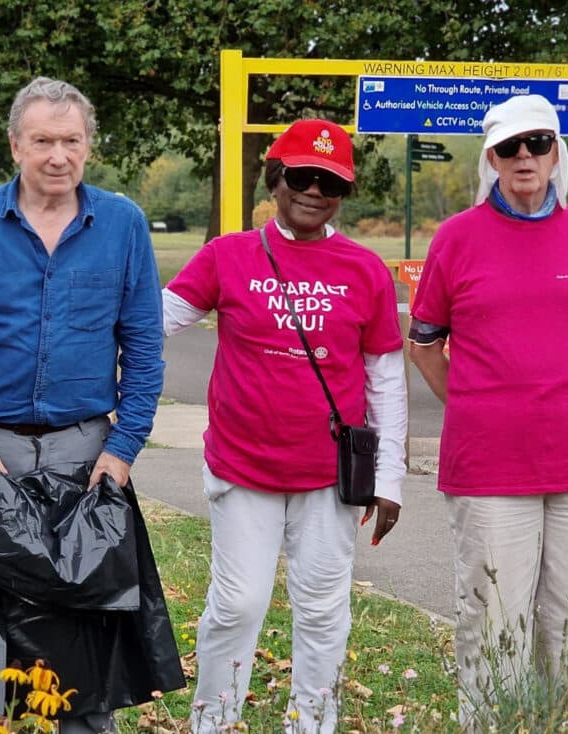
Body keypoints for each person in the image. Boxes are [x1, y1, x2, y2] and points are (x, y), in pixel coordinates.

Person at [0, 76, 166, 733]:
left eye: (71, 140)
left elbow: (143, 350)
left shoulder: (122, 224)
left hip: (85, 458)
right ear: (15, 146)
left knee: (83, 652)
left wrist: (122, 450)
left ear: (88, 146)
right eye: (43, 141)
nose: (58, 155)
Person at [163, 118, 408, 734]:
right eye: (301, 175)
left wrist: (391, 476)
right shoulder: (228, 255)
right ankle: (213, 722)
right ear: (276, 179)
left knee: (323, 611)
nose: (315, 191)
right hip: (243, 469)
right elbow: (153, 321)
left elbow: (384, 379)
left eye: (331, 182)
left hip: (329, 476)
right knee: (237, 604)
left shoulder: (365, 270)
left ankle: (313, 723)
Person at [407, 94, 568, 724]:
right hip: (489, 467)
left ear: (557, 152)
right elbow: (423, 343)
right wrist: (477, 404)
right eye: (510, 147)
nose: (525, 157)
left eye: (537, 143)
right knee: (493, 626)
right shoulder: (457, 237)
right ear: (492, 158)